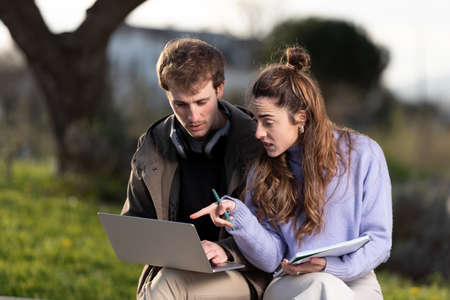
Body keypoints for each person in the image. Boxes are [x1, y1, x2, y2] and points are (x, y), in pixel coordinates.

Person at [191, 46, 392, 300]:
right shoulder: (263, 168)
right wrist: (238, 216)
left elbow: (379, 241)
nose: (258, 133)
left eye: (268, 121)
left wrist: (330, 267)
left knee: (331, 289)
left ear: (301, 117)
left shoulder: (364, 154)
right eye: (256, 120)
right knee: (324, 289)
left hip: (356, 280)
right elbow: (271, 257)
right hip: (292, 281)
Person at [120, 38, 271, 300]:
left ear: (220, 89)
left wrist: (227, 251)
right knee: (169, 283)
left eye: (202, 102)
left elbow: (278, 228)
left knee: (169, 287)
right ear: (167, 95)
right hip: (175, 268)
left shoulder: (258, 142)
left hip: (244, 271)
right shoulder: (152, 144)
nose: (193, 116)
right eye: (180, 104)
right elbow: (136, 223)